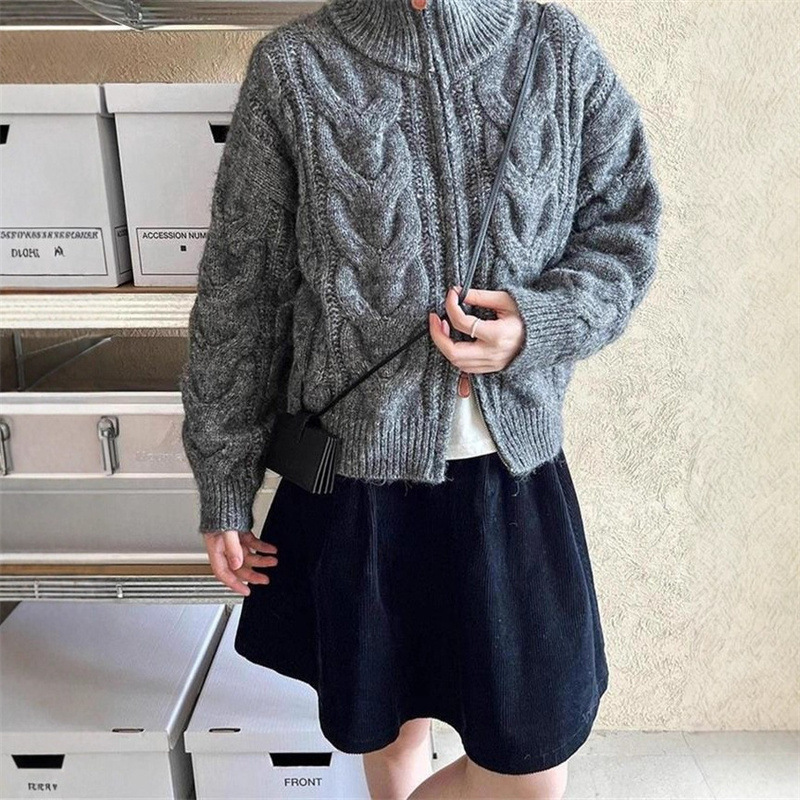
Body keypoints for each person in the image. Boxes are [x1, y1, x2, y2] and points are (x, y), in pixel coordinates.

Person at [179, 0, 662, 797]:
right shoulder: (296, 67)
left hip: (510, 478)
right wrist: (225, 481)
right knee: (393, 740)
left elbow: (625, 229)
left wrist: (537, 324)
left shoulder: (554, 46)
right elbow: (244, 291)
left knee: (529, 768)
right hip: (358, 487)